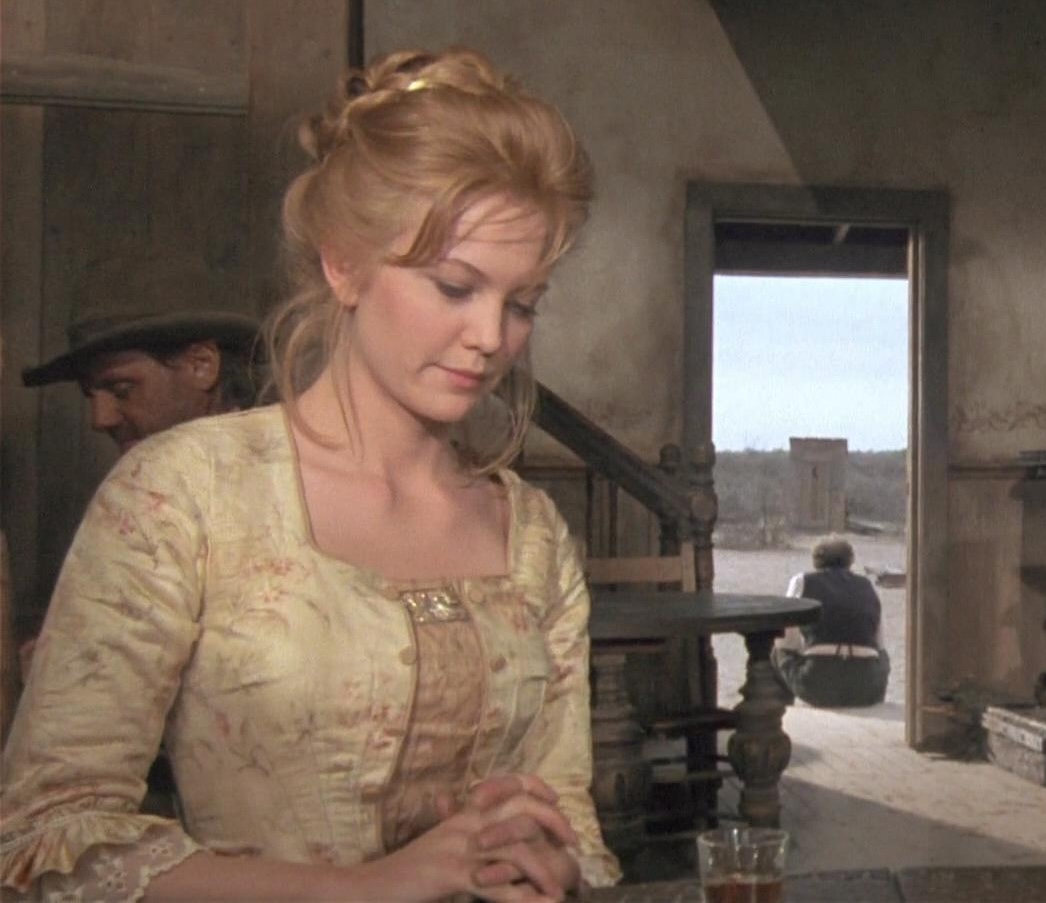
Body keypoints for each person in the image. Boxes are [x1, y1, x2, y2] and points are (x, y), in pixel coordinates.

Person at [1, 47, 621, 902]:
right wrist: (374, 886)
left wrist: (555, 860)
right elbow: (50, 836)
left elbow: (569, 817)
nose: (491, 337)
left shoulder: (534, 537)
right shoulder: (185, 493)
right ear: (344, 264)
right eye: (454, 286)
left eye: (521, 304)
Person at [21, 253, 260, 456]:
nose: (101, 419)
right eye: (89, 395)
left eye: (122, 390)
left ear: (201, 365)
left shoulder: (274, 477)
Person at [771, 535, 891, 708]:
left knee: (777, 650)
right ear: (850, 561)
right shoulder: (867, 586)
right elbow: (879, 643)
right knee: (882, 655)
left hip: (818, 684)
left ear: (816, 561)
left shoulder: (803, 581)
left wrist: (806, 649)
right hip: (867, 688)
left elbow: (785, 635)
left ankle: (781, 708)